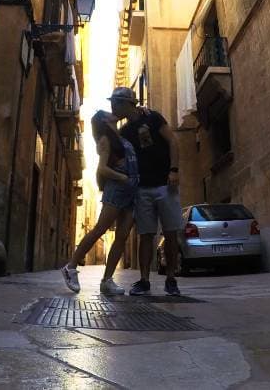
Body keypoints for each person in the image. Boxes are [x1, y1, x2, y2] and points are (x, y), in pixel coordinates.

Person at [108, 87, 182, 297]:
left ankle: (171, 279)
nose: (112, 107)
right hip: (142, 188)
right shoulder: (123, 132)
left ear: (126, 103)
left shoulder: (154, 118)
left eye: (115, 103)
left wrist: (174, 170)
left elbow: (173, 142)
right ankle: (144, 280)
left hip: (165, 185)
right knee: (146, 235)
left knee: (170, 233)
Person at [61, 110, 139, 295]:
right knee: (100, 229)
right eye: (109, 113)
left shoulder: (120, 137)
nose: (114, 112)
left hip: (130, 191)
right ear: (104, 120)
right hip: (117, 188)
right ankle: (70, 267)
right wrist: (122, 177)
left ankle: (107, 280)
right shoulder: (105, 139)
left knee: (122, 236)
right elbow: (102, 169)